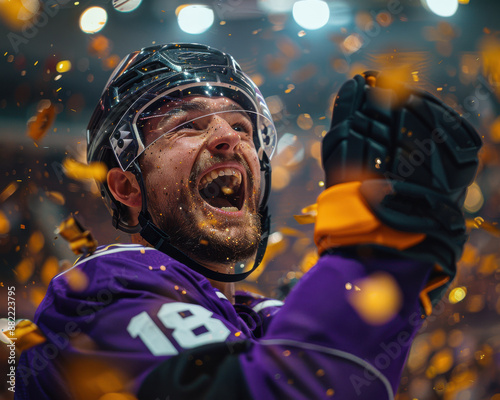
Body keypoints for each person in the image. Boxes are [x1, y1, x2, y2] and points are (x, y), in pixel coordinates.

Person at [15, 43, 481, 400]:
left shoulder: (263, 318)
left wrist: (405, 281)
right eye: (189, 125)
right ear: (126, 188)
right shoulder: (98, 290)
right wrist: (379, 251)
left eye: (242, 126)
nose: (228, 138)